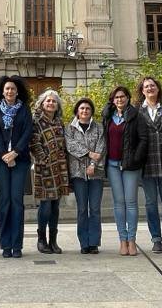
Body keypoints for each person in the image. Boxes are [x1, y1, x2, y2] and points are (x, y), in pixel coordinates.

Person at [0, 75, 33, 258]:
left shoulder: (24, 109)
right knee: (4, 201)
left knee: (17, 201)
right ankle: (6, 245)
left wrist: (15, 152)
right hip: (1, 161)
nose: (10, 91)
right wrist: (4, 155)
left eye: (13, 88)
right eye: (7, 88)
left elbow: (28, 132)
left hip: (20, 160)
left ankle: (17, 245)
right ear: (2, 90)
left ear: (17, 91)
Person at [102, 86, 146, 256]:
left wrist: (135, 159)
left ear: (127, 98)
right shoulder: (108, 116)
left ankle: (132, 240)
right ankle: (122, 240)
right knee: (119, 203)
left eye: (122, 96)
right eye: (116, 97)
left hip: (130, 166)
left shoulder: (136, 116)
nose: (119, 99)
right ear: (112, 100)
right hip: (112, 165)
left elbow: (143, 139)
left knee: (131, 202)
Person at [138, 76, 162, 254]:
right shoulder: (138, 111)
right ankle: (156, 239)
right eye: (146, 86)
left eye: (152, 85)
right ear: (142, 91)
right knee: (150, 203)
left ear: (158, 88)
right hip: (146, 160)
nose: (150, 88)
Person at [30, 88, 70, 255]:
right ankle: (41, 239)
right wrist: (44, 159)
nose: (51, 103)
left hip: (60, 168)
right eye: (48, 101)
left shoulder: (59, 122)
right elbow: (34, 143)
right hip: (45, 168)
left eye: (54, 101)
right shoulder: (36, 121)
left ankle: (53, 240)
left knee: (55, 206)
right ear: (42, 103)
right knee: (45, 205)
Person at [65, 97, 106, 255]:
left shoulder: (99, 127)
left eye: (88, 108)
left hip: (96, 174)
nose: (85, 111)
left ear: (91, 111)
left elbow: (101, 148)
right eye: (82, 108)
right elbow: (71, 147)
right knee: (82, 209)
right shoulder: (70, 128)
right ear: (77, 110)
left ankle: (94, 242)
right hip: (78, 174)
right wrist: (88, 154)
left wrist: (93, 165)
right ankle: (84, 242)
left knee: (95, 209)